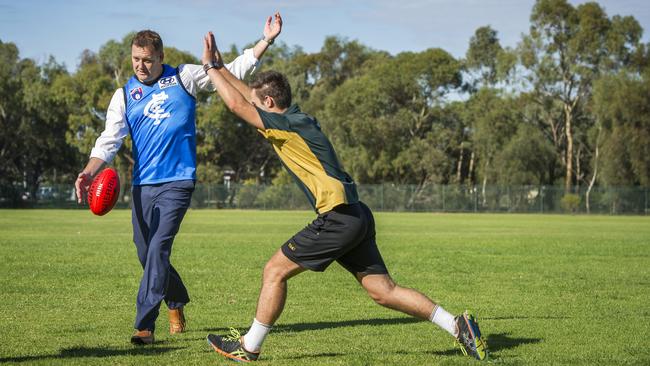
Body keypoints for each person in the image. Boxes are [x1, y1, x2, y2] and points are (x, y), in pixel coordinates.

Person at [199, 32, 488, 362]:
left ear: (268, 104)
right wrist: (220, 67)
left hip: (337, 217)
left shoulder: (286, 126)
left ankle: (249, 347)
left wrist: (208, 67)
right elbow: (246, 96)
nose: (255, 105)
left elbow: (238, 104)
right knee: (383, 291)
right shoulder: (297, 118)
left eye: (259, 102)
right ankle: (457, 326)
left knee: (274, 271)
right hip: (356, 214)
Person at [74, 14, 283, 345]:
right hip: (143, 185)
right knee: (146, 254)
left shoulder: (184, 77)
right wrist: (89, 172)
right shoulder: (124, 95)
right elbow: (109, 140)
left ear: (161, 58)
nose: (140, 66)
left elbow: (233, 72)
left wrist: (265, 40)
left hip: (178, 181)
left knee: (158, 248)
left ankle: (145, 325)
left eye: (147, 60)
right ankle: (176, 301)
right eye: (135, 59)